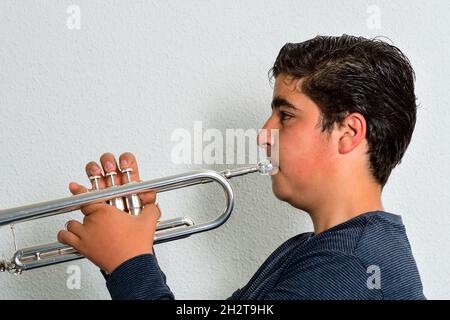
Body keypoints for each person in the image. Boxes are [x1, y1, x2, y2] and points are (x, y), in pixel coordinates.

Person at [58, 35, 425, 300]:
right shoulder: (316, 250)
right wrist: (128, 250)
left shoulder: (349, 267)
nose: (264, 134)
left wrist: (129, 263)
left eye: (285, 115)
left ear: (348, 132)